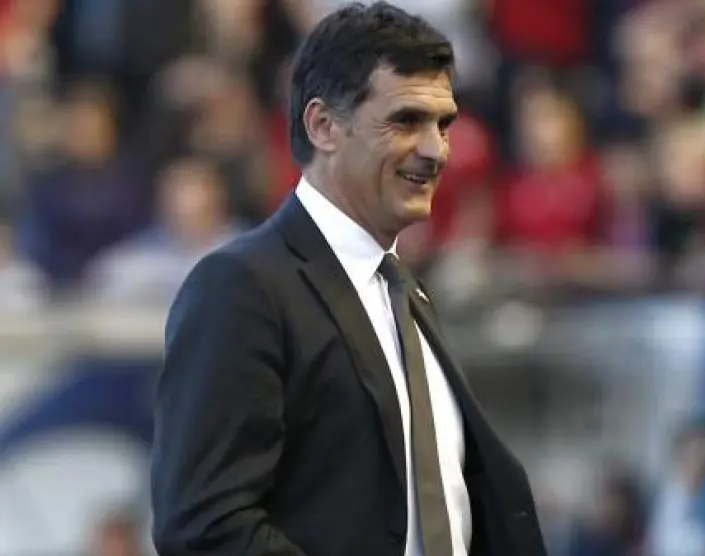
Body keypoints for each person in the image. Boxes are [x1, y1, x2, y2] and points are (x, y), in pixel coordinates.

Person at [149, 3, 548, 556]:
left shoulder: (405, 292)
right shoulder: (241, 287)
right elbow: (206, 524)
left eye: (443, 124)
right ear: (323, 126)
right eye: (406, 120)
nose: (436, 150)